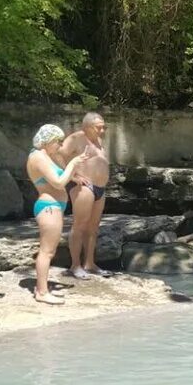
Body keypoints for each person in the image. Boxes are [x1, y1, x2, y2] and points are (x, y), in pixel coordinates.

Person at [25, 125, 92, 304]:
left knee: (49, 251)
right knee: (47, 251)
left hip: (54, 207)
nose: (60, 145)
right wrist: (73, 163)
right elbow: (57, 183)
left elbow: (59, 176)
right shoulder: (38, 157)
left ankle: (42, 288)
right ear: (47, 141)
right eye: (58, 141)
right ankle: (41, 292)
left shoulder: (45, 156)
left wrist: (75, 176)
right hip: (48, 207)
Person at [60, 112, 112, 278]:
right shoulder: (77, 138)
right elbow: (57, 155)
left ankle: (89, 263)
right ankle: (75, 265)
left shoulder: (99, 141)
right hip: (84, 187)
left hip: (100, 188)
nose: (102, 130)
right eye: (99, 127)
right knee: (79, 226)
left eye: (104, 127)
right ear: (87, 127)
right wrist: (72, 176)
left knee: (93, 228)